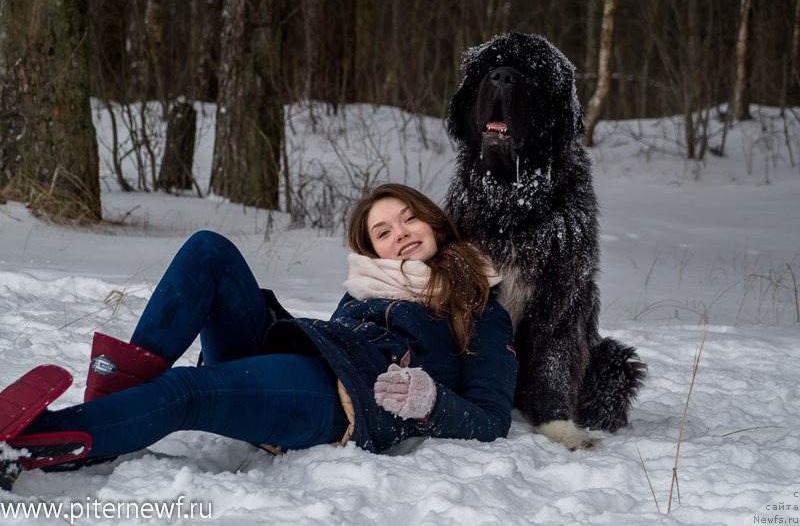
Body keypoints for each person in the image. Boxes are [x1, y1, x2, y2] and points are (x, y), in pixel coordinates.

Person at [0, 184, 518, 490]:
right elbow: (333, 339)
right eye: (383, 231)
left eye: (409, 217)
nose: (400, 231)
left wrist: (428, 401)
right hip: (298, 360)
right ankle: (115, 410)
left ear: (434, 222)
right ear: (373, 251)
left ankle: (30, 445)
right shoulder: (367, 286)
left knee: (187, 392)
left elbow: (492, 420)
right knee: (209, 250)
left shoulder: (479, 308)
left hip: (342, 398)